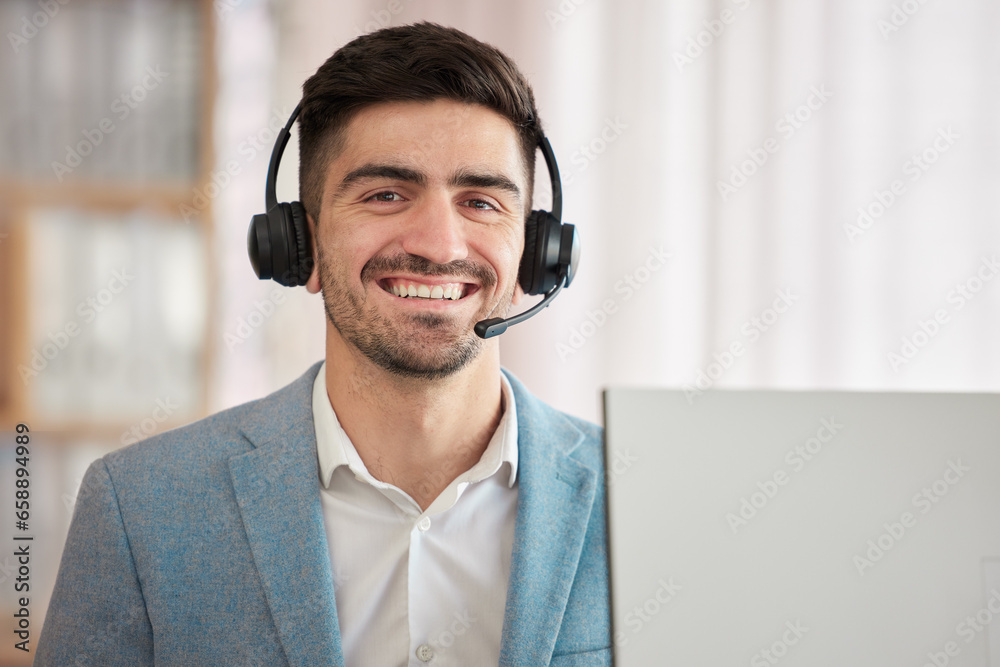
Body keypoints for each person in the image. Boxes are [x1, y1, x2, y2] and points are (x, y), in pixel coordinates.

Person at [36, 22, 610, 667]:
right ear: (296, 245)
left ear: (537, 253)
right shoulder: (139, 507)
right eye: (386, 195)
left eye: (481, 202)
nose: (440, 245)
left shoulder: (644, 496)